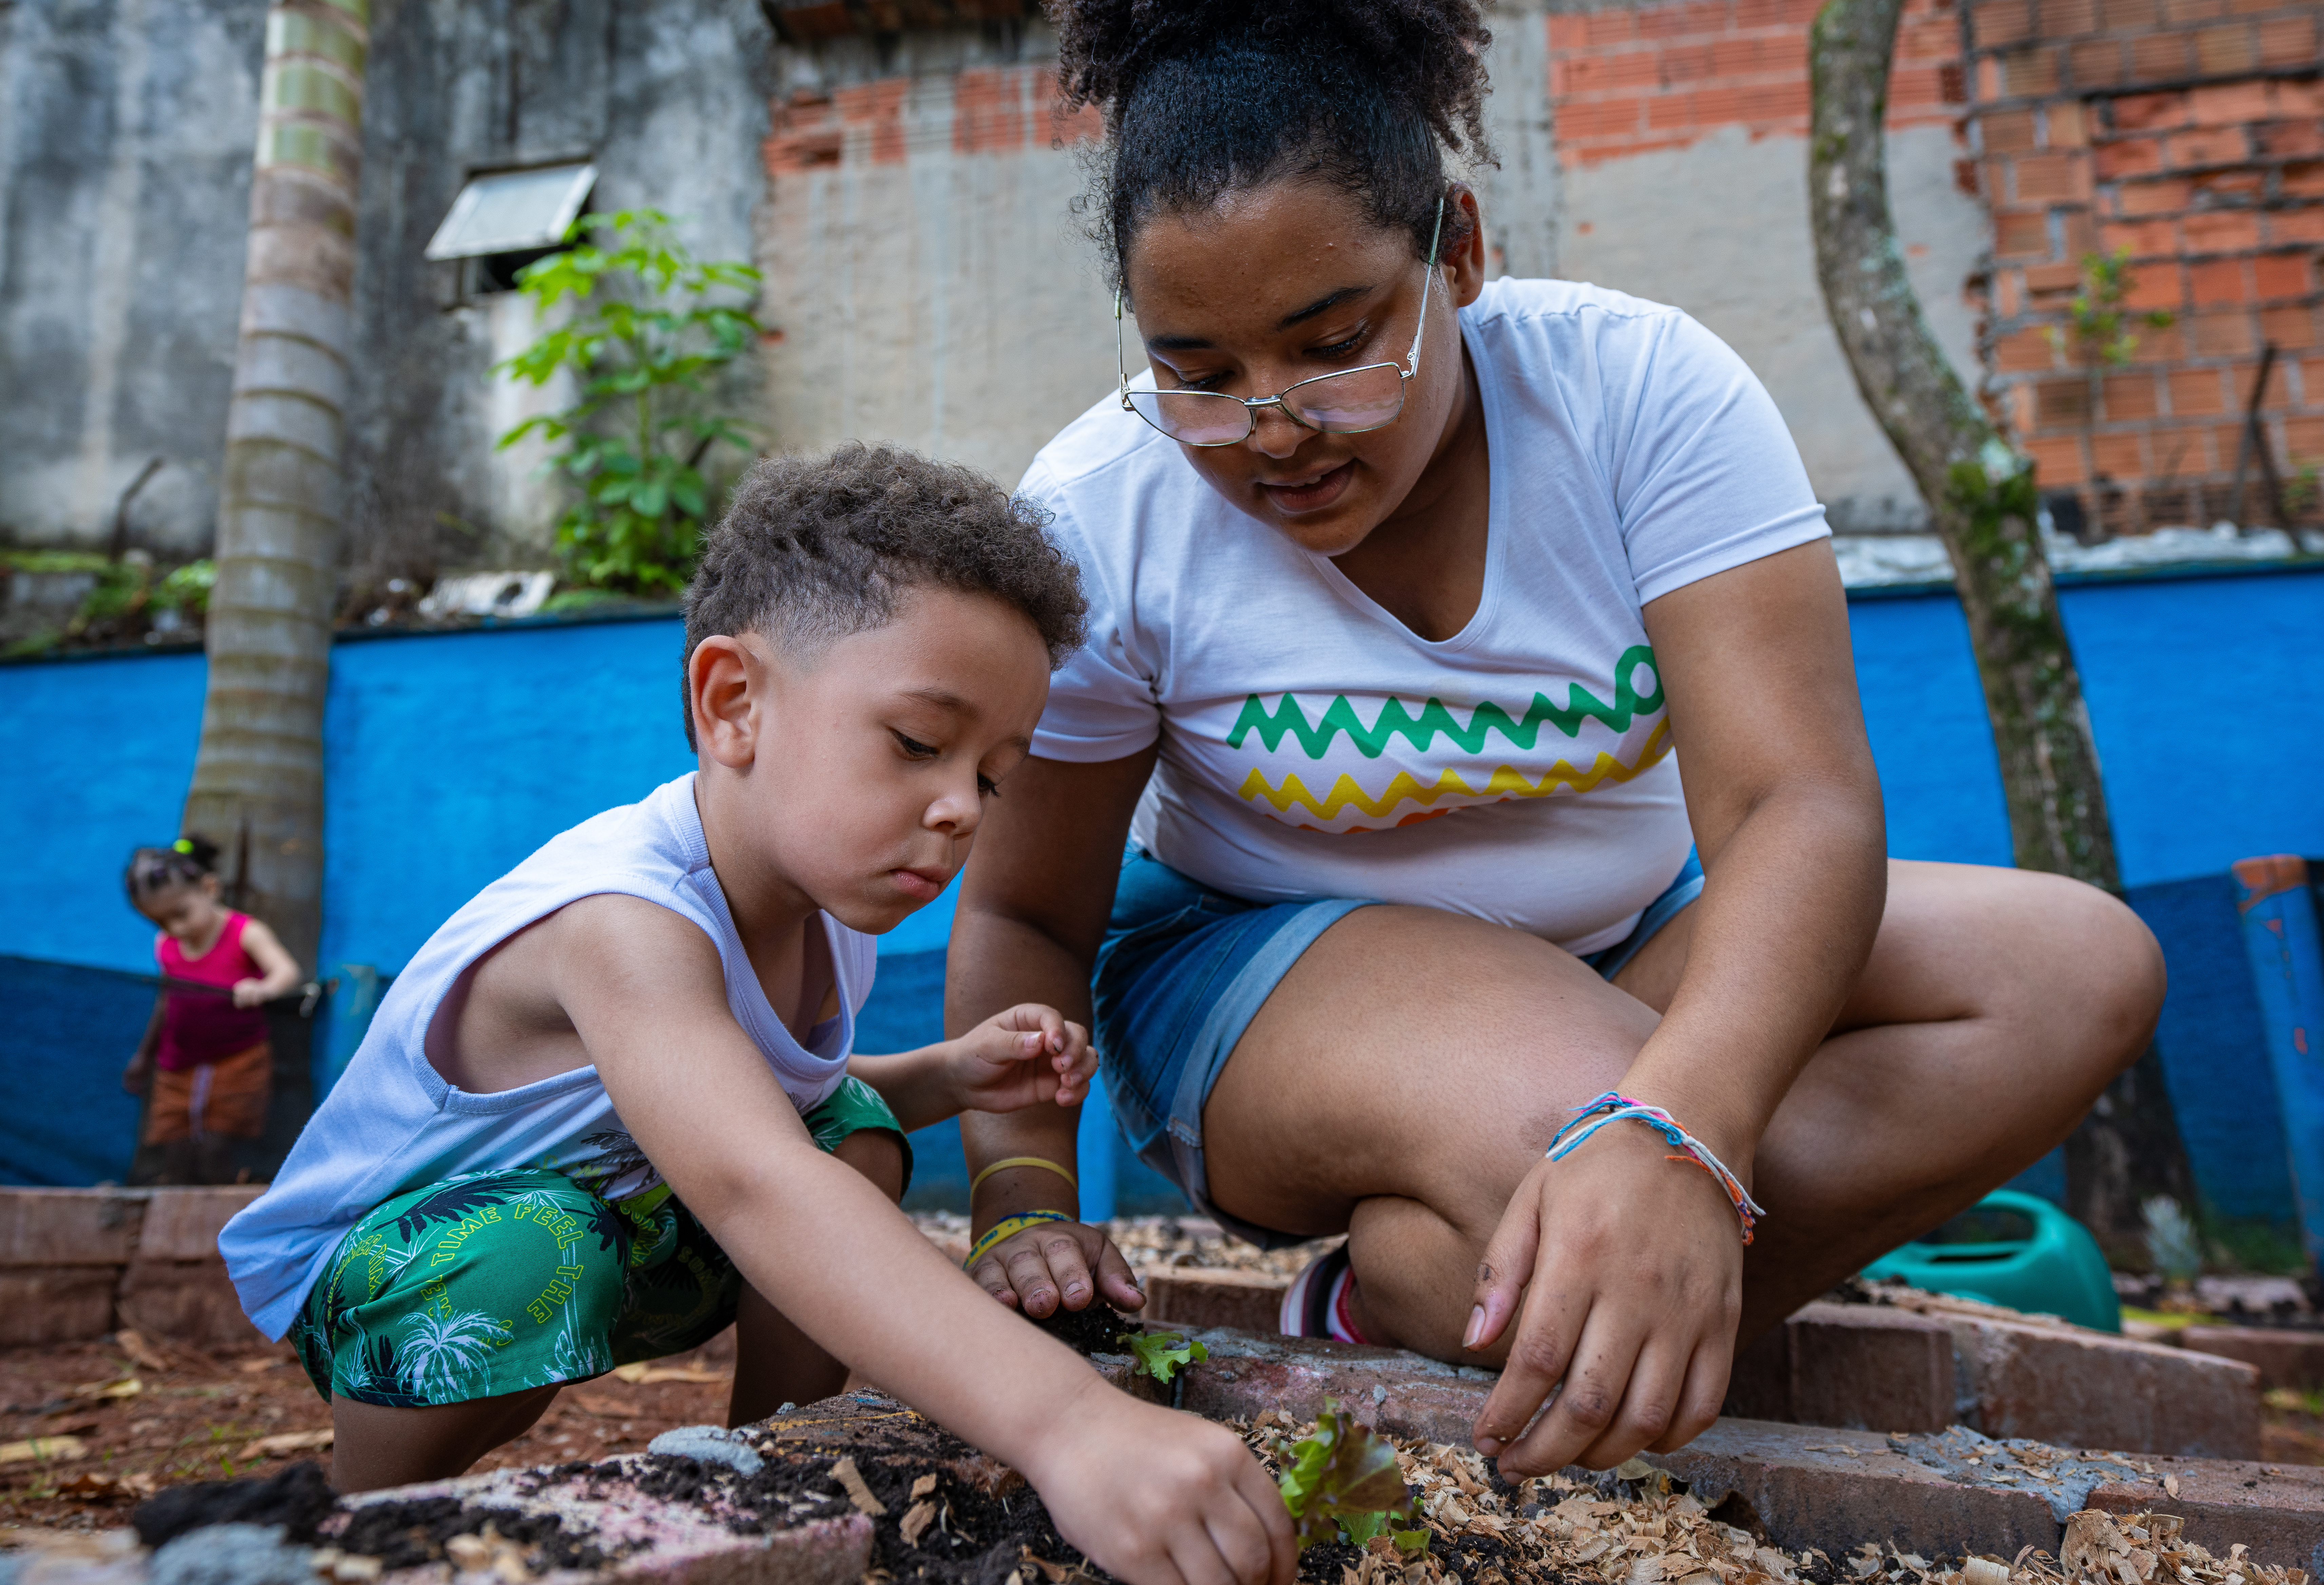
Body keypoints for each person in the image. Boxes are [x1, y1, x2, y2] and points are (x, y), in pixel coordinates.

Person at [949, 0, 2167, 1484]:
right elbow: (1023, 908)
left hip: (1634, 935)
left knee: (2071, 971)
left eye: (1336, 346)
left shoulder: (1638, 395)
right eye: (1200, 373)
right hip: (1254, 965)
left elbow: (1798, 809)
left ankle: (1422, 1296)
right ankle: (1565, 1261)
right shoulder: (1102, 509)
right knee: (1585, 1118)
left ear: (1456, 251)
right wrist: (1020, 1200)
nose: (1274, 429)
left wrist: (1681, 1134)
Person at [220, 447, 1295, 1585]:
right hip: (396, 1274)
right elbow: (748, 1179)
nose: (956, 809)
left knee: (855, 1131)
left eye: (993, 775)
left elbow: (777, 1103)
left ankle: (758, 1464)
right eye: (919, 744)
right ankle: (358, 1523)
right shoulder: (620, 919)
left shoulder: (825, 917)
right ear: (733, 704)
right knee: (540, 1246)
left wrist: (952, 1071)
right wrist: (1073, 1424)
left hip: (605, 1222)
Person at [122, 836, 302, 1183]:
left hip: (237, 1059)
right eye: (161, 922)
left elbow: (287, 972)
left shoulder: (245, 933)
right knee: (175, 1146)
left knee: (218, 1145)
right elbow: (166, 1001)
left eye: (181, 914)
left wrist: (262, 987)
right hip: (178, 1063)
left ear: (209, 888)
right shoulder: (167, 945)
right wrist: (144, 1056)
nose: (175, 929)